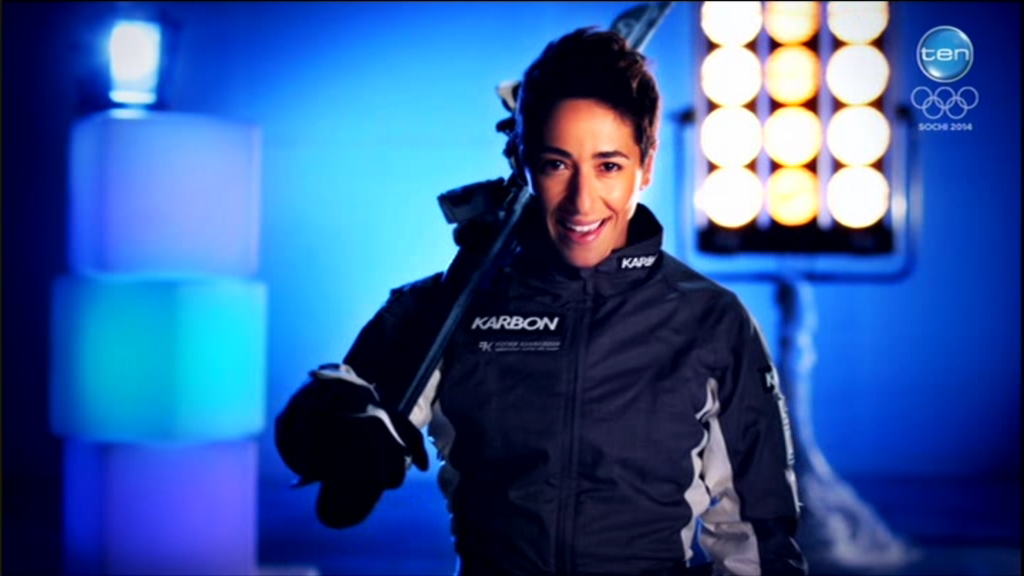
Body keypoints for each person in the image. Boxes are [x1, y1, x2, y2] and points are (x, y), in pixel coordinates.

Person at [275, 27, 808, 576]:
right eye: (556, 164)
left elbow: (758, 539)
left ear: (646, 166)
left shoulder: (709, 322)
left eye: (608, 165)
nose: (582, 202)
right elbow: (326, 414)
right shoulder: (447, 310)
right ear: (522, 162)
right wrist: (337, 431)